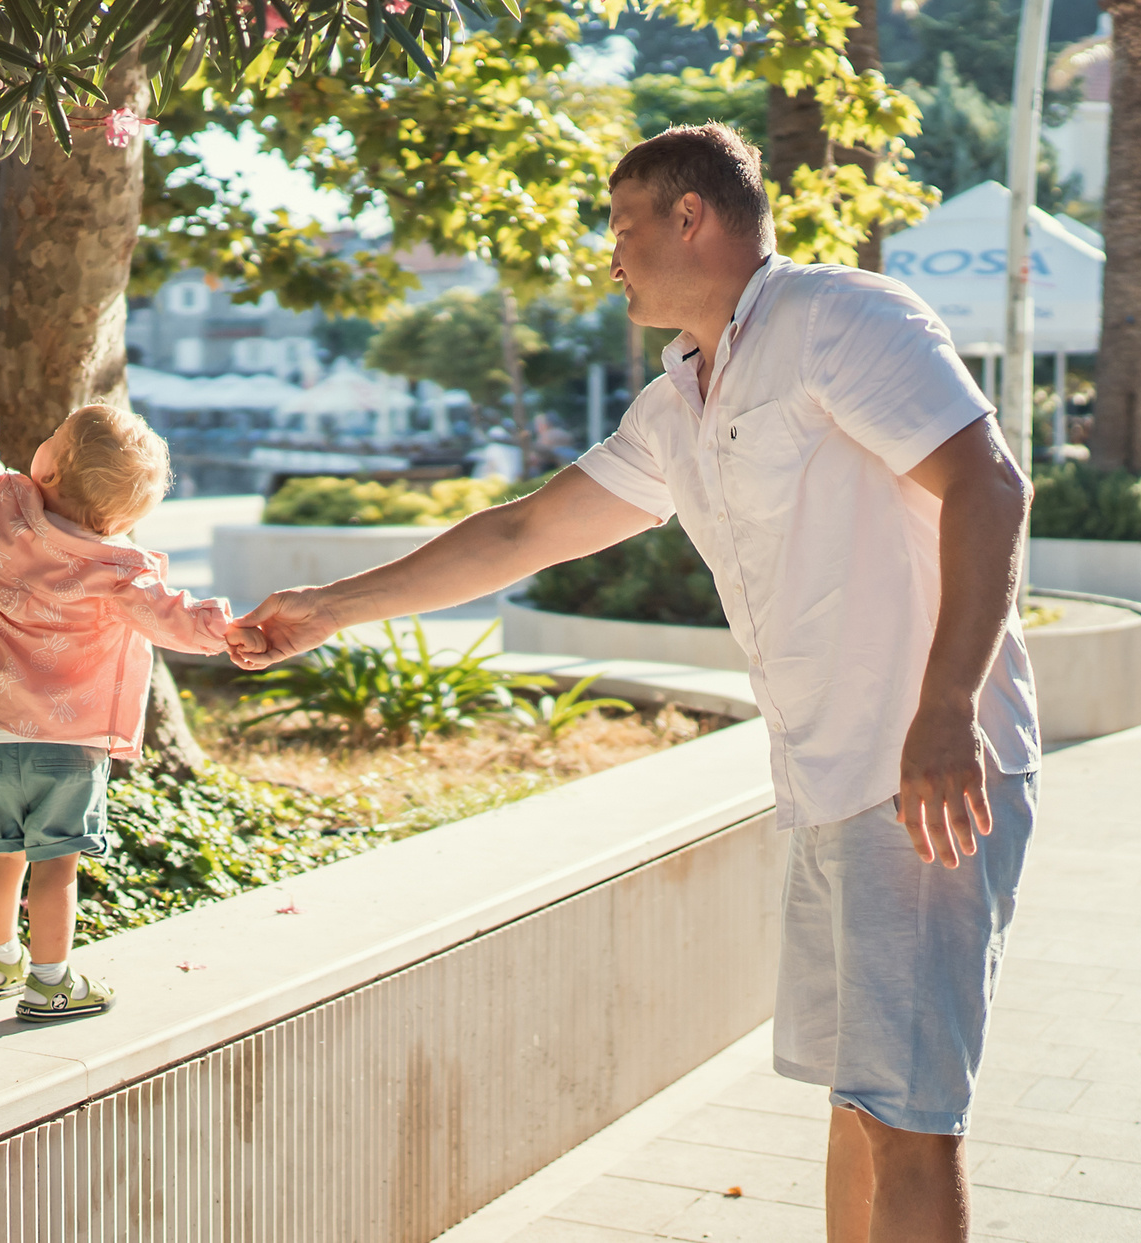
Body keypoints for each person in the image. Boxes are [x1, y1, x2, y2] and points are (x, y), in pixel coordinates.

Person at [231, 124, 1039, 1243]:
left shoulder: (840, 319)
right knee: (860, 1106)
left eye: (621, 228)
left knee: (911, 1118)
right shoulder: (678, 404)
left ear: (689, 218)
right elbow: (522, 532)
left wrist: (946, 709)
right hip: (823, 785)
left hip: (921, 778)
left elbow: (989, 487)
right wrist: (327, 610)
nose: (609, 256)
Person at [0, 308, 237, 1022]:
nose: (40, 443)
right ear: (117, 518)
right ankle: (51, 980)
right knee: (56, 864)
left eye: (48, 439)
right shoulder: (117, 566)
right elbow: (175, 618)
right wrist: (232, 630)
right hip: (68, 738)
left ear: (46, 466)